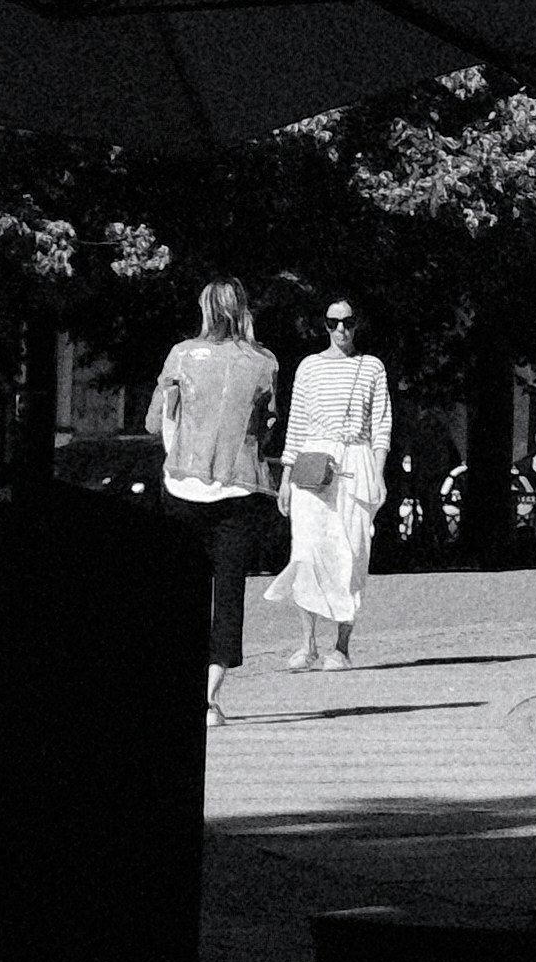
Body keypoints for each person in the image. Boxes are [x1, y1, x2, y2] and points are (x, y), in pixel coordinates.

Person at [150, 279, 283, 715]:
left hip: (182, 484)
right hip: (241, 486)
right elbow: (267, 428)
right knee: (227, 594)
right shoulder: (264, 362)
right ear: (243, 309)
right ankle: (209, 698)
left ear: (204, 309)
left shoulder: (181, 355)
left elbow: (155, 422)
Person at [278, 299, 390, 666]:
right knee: (307, 552)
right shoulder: (308, 367)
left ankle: (341, 645)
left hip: (356, 462)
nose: (341, 330)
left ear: (358, 324)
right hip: (313, 462)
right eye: (332, 322)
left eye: (348, 322)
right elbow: (296, 424)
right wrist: (285, 476)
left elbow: (380, 426)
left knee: (352, 551)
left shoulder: (371, 366)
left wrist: (378, 472)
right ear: (323, 325)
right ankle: (307, 642)